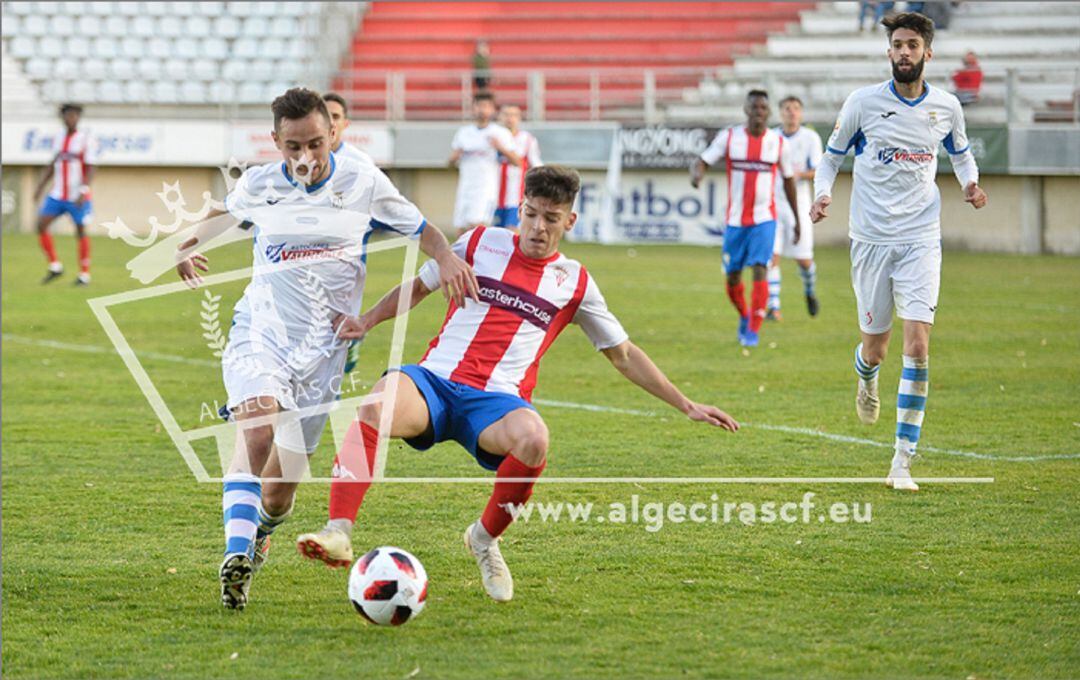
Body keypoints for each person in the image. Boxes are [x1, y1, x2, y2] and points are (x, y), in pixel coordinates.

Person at [295, 166, 739, 602]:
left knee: (534, 439)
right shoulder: (479, 242)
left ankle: (484, 540)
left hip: (496, 402)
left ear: (570, 221)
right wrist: (368, 319)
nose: (537, 227)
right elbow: (418, 287)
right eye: (530, 213)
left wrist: (686, 404)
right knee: (376, 405)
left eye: (551, 218)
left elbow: (622, 353)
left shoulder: (575, 282)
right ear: (520, 208)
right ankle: (339, 531)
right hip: (433, 381)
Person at [173, 87, 478, 610]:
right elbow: (226, 208)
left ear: (333, 134)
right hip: (261, 331)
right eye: (293, 146)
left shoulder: (362, 181)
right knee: (257, 424)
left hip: (325, 351)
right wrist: (190, 241)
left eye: (316, 143)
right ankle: (236, 552)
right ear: (275, 141)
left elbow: (421, 228)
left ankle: (260, 530)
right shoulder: (263, 183)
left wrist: (446, 257)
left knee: (279, 495)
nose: (306, 157)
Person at [810, 12, 987, 492]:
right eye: (897, 45)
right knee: (877, 347)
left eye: (912, 45)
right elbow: (831, 158)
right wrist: (822, 194)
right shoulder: (863, 103)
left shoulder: (947, 107)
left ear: (927, 52)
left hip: (921, 238)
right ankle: (866, 375)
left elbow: (961, 150)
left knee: (918, 346)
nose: (904, 52)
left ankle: (902, 461)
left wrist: (970, 184)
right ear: (888, 52)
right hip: (869, 240)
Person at [690, 90, 801, 348]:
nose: (759, 112)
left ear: (769, 113)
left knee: (761, 268)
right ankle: (745, 314)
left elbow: (788, 182)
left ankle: (753, 330)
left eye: (764, 108)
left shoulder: (778, 143)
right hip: (736, 221)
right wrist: (697, 175)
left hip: (764, 219)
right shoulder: (730, 137)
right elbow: (702, 160)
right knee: (733, 277)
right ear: (746, 110)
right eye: (755, 108)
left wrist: (796, 218)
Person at [323, 91, 375, 375]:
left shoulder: (360, 164)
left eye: (335, 116)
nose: (329, 122)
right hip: (305, 258)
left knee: (339, 327)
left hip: (347, 258)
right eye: (324, 115)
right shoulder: (302, 160)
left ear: (346, 123)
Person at [766, 96, 824, 321]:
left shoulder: (810, 138)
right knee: (772, 257)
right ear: (780, 113)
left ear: (801, 113)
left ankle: (809, 289)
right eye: (787, 109)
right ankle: (774, 306)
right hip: (773, 204)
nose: (791, 112)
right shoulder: (772, 137)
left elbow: (818, 170)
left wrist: (797, 175)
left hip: (800, 206)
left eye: (796, 109)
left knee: (804, 260)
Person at [33, 103, 95, 286]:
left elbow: (91, 167)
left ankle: (84, 274)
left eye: (74, 115)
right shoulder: (58, 138)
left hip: (77, 196)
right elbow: (54, 163)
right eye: (68, 115)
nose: (71, 118)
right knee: (41, 225)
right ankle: (55, 266)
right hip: (58, 194)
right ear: (63, 117)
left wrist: (84, 190)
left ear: (78, 117)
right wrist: (40, 186)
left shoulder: (85, 139)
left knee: (80, 231)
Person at [449, 92, 520, 237]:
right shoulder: (464, 133)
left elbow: (517, 161)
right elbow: (450, 162)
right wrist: (454, 157)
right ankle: (462, 260)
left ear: (493, 110)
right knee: (460, 230)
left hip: (485, 188)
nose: (482, 110)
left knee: (477, 228)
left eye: (486, 106)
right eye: (479, 106)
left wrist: (500, 147)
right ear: (473, 108)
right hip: (465, 187)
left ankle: (477, 259)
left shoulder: (500, 133)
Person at [493, 104, 543, 229]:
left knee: (512, 232)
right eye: (506, 115)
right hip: (492, 195)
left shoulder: (527, 139)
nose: (510, 118)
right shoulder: (491, 137)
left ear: (519, 118)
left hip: (516, 196)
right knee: (493, 234)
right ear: (499, 117)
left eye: (514, 115)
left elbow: (536, 165)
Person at [322, 92, 375, 167]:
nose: (331, 122)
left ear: (345, 124)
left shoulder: (361, 162)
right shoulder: (305, 158)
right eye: (326, 116)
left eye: (335, 117)